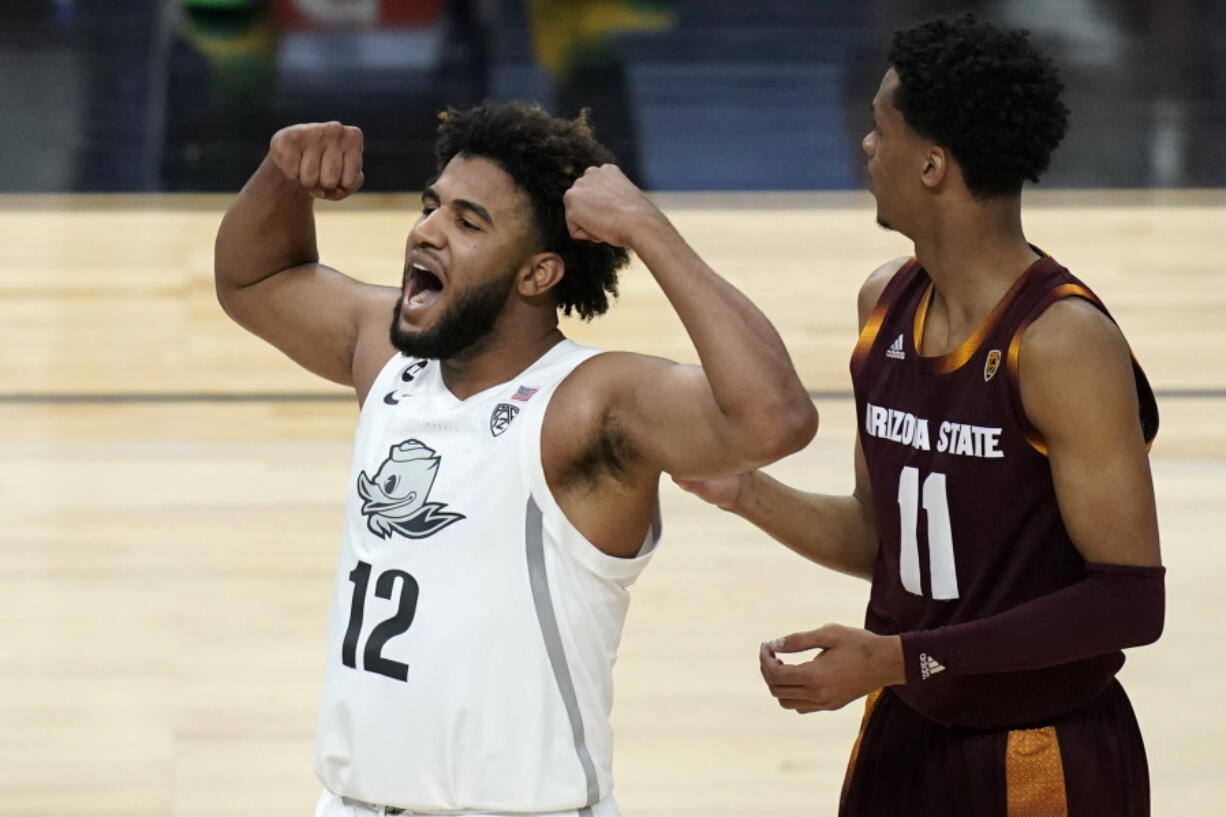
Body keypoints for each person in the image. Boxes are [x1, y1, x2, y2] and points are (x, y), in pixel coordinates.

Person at [213, 102, 817, 817]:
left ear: (538, 274)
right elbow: (251, 281)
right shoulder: (385, 354)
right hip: (351, 803)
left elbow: (776, 418)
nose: (427, 231)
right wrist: (283, 174)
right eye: (430, 206)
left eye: (468, 223)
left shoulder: (590, 405)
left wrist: (648, 229)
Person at [677, 15, 1163, 817]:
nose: (867, 146)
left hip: (1038, 752)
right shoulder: (885, 303)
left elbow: (1130, 602)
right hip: (904, 730)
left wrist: (900, 657)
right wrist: (747, 491)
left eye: (881, 129)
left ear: (934, 165)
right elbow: (887, 541)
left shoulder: (1062, 342)